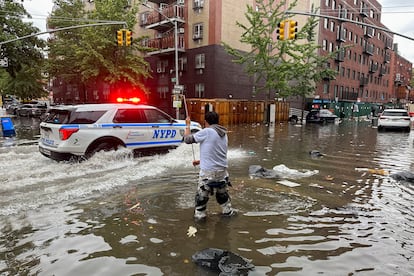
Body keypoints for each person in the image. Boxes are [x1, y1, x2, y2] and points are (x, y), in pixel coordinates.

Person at [184, 111, 235, 220]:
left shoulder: (207, 131)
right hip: (222, 172)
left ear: (205, 121)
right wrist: (200, 161)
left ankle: (200, 222)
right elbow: (216, 154)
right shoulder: (223, 133)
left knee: (201, 199)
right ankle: (227, 216)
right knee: (223, 198)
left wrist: (187, 125)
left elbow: (187, 140)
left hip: (208, 173)